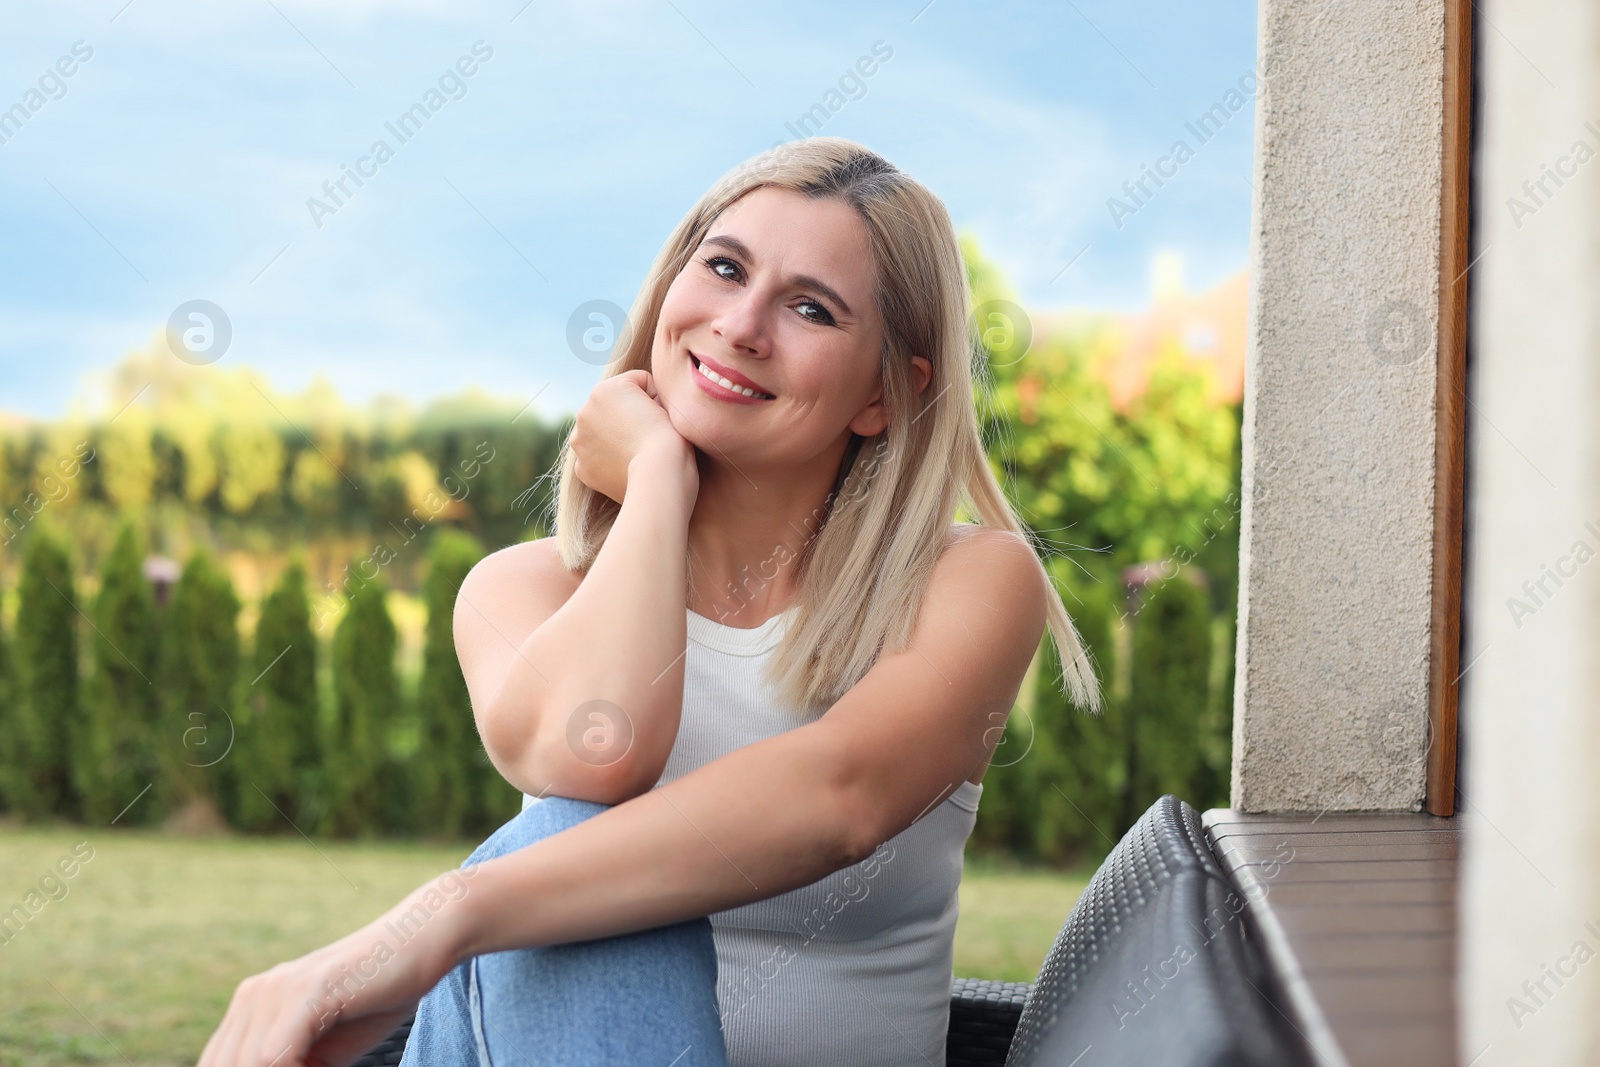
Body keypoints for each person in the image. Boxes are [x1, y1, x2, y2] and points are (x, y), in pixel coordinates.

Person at [197, 136, 1099, 1067]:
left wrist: (453, 909)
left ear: (883, 393)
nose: (743, 325)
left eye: (810, 308)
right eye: (723, 267)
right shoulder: (523, 588)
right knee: (569, 836)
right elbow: (600, 756)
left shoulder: (970, 583)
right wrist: (660, 485)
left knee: (560, 861)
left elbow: (841, 799)